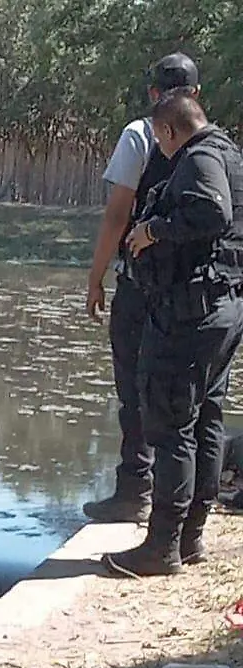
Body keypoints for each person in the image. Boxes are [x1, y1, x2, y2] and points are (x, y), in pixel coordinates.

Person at [102, 91, 243, 577]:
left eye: (161, 141)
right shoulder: (230, 154)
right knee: (205, 421)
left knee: (170, 427)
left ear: (167, 130)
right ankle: (190, 538)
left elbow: (213, 213)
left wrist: (154, 231)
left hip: (192, 314)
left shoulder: (199, 158)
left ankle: (161, 547)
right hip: (223, 308)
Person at [83, 53, 203, 524]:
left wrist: (95, 278)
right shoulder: (212, 144)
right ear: (195, 95)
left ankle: (135, 490)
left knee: (134, 387)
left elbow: (117, 213)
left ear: (155, 96)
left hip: (140, 283)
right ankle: (188, 503)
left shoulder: (139, 133)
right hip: (192, 293)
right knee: (189, 396)